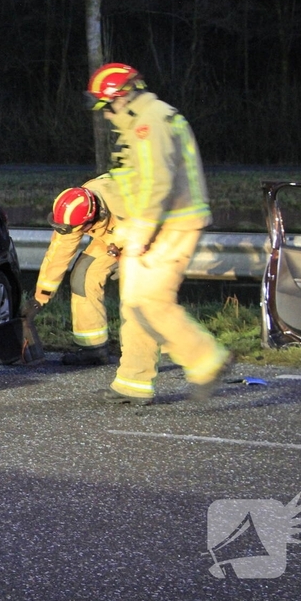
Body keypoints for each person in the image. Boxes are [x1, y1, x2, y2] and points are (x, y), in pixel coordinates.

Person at [86, 62, 231, 405]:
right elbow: (136, 181)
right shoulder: (146, 120)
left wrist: (142, 232)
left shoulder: (149, 123)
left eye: (107, 107)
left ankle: (206, 359)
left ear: (122, 98)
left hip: (171, 225)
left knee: (150, 303)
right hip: (156, 223)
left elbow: (157, 182)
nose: (106, 116)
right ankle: (133, 383)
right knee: (134, 303)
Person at [30, 175, 126, 366]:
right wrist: (39, 299)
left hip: (153, 238)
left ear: (90, 221)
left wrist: (129, 260)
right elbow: (58, 255)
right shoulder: (78, 208)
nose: (72, 232)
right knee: (84, 276)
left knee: (136, 292)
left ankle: (140, 354)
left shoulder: (124, 208)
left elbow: (156, 232)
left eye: (77, 229)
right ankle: (93, 349)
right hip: (113, 237)